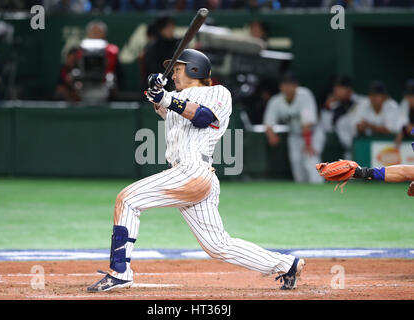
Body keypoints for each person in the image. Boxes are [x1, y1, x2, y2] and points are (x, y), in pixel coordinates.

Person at [87, 49, 305, 293]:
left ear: (194, 69)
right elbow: (162, 102)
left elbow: (203, 117)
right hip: (189, 175)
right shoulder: (176, 97)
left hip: (194, 170)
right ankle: (287, 264)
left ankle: (120, 272)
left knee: (127, 199)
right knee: (217, 246)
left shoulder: (217, 92)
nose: (174, 74)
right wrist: (154, 89)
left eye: (177, 69)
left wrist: (165, 97)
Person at [264, 71, 324, 183]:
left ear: (296, 85)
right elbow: (268, 123)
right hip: (295, 136)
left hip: (312, 134)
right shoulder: (276, 101)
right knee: (297, 168)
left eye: (290, 84)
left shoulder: (305, 95)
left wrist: (308, 143)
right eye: (284, 84)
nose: (286, 88)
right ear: (280, 86)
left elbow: (307, 124)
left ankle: (319, 190)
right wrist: (271, 136)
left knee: (311, 163)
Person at [320, 75, 365, 159]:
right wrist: (326, 109)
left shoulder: (362, 102)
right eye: (335, 88)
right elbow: (327, 128)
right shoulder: (333, 106)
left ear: (349, 89)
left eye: (339, 88)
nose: (335, 91)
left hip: (365, 147)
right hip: (348, 153)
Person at [143, 16, 178, 91]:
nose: (171, 30)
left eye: (172, 27)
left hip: (176, 85)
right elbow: (153, 70)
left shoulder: (177, 44)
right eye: (168, 28)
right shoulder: (152, 47)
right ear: (161, 29)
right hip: (158, 87)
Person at [395, 79, 414, 147]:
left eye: (412, 96)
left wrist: (409, 130)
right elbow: (399, 126)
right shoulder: (405, 103)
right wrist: (405, 130)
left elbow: (409, 130)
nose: (409, 99)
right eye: (408, 96)